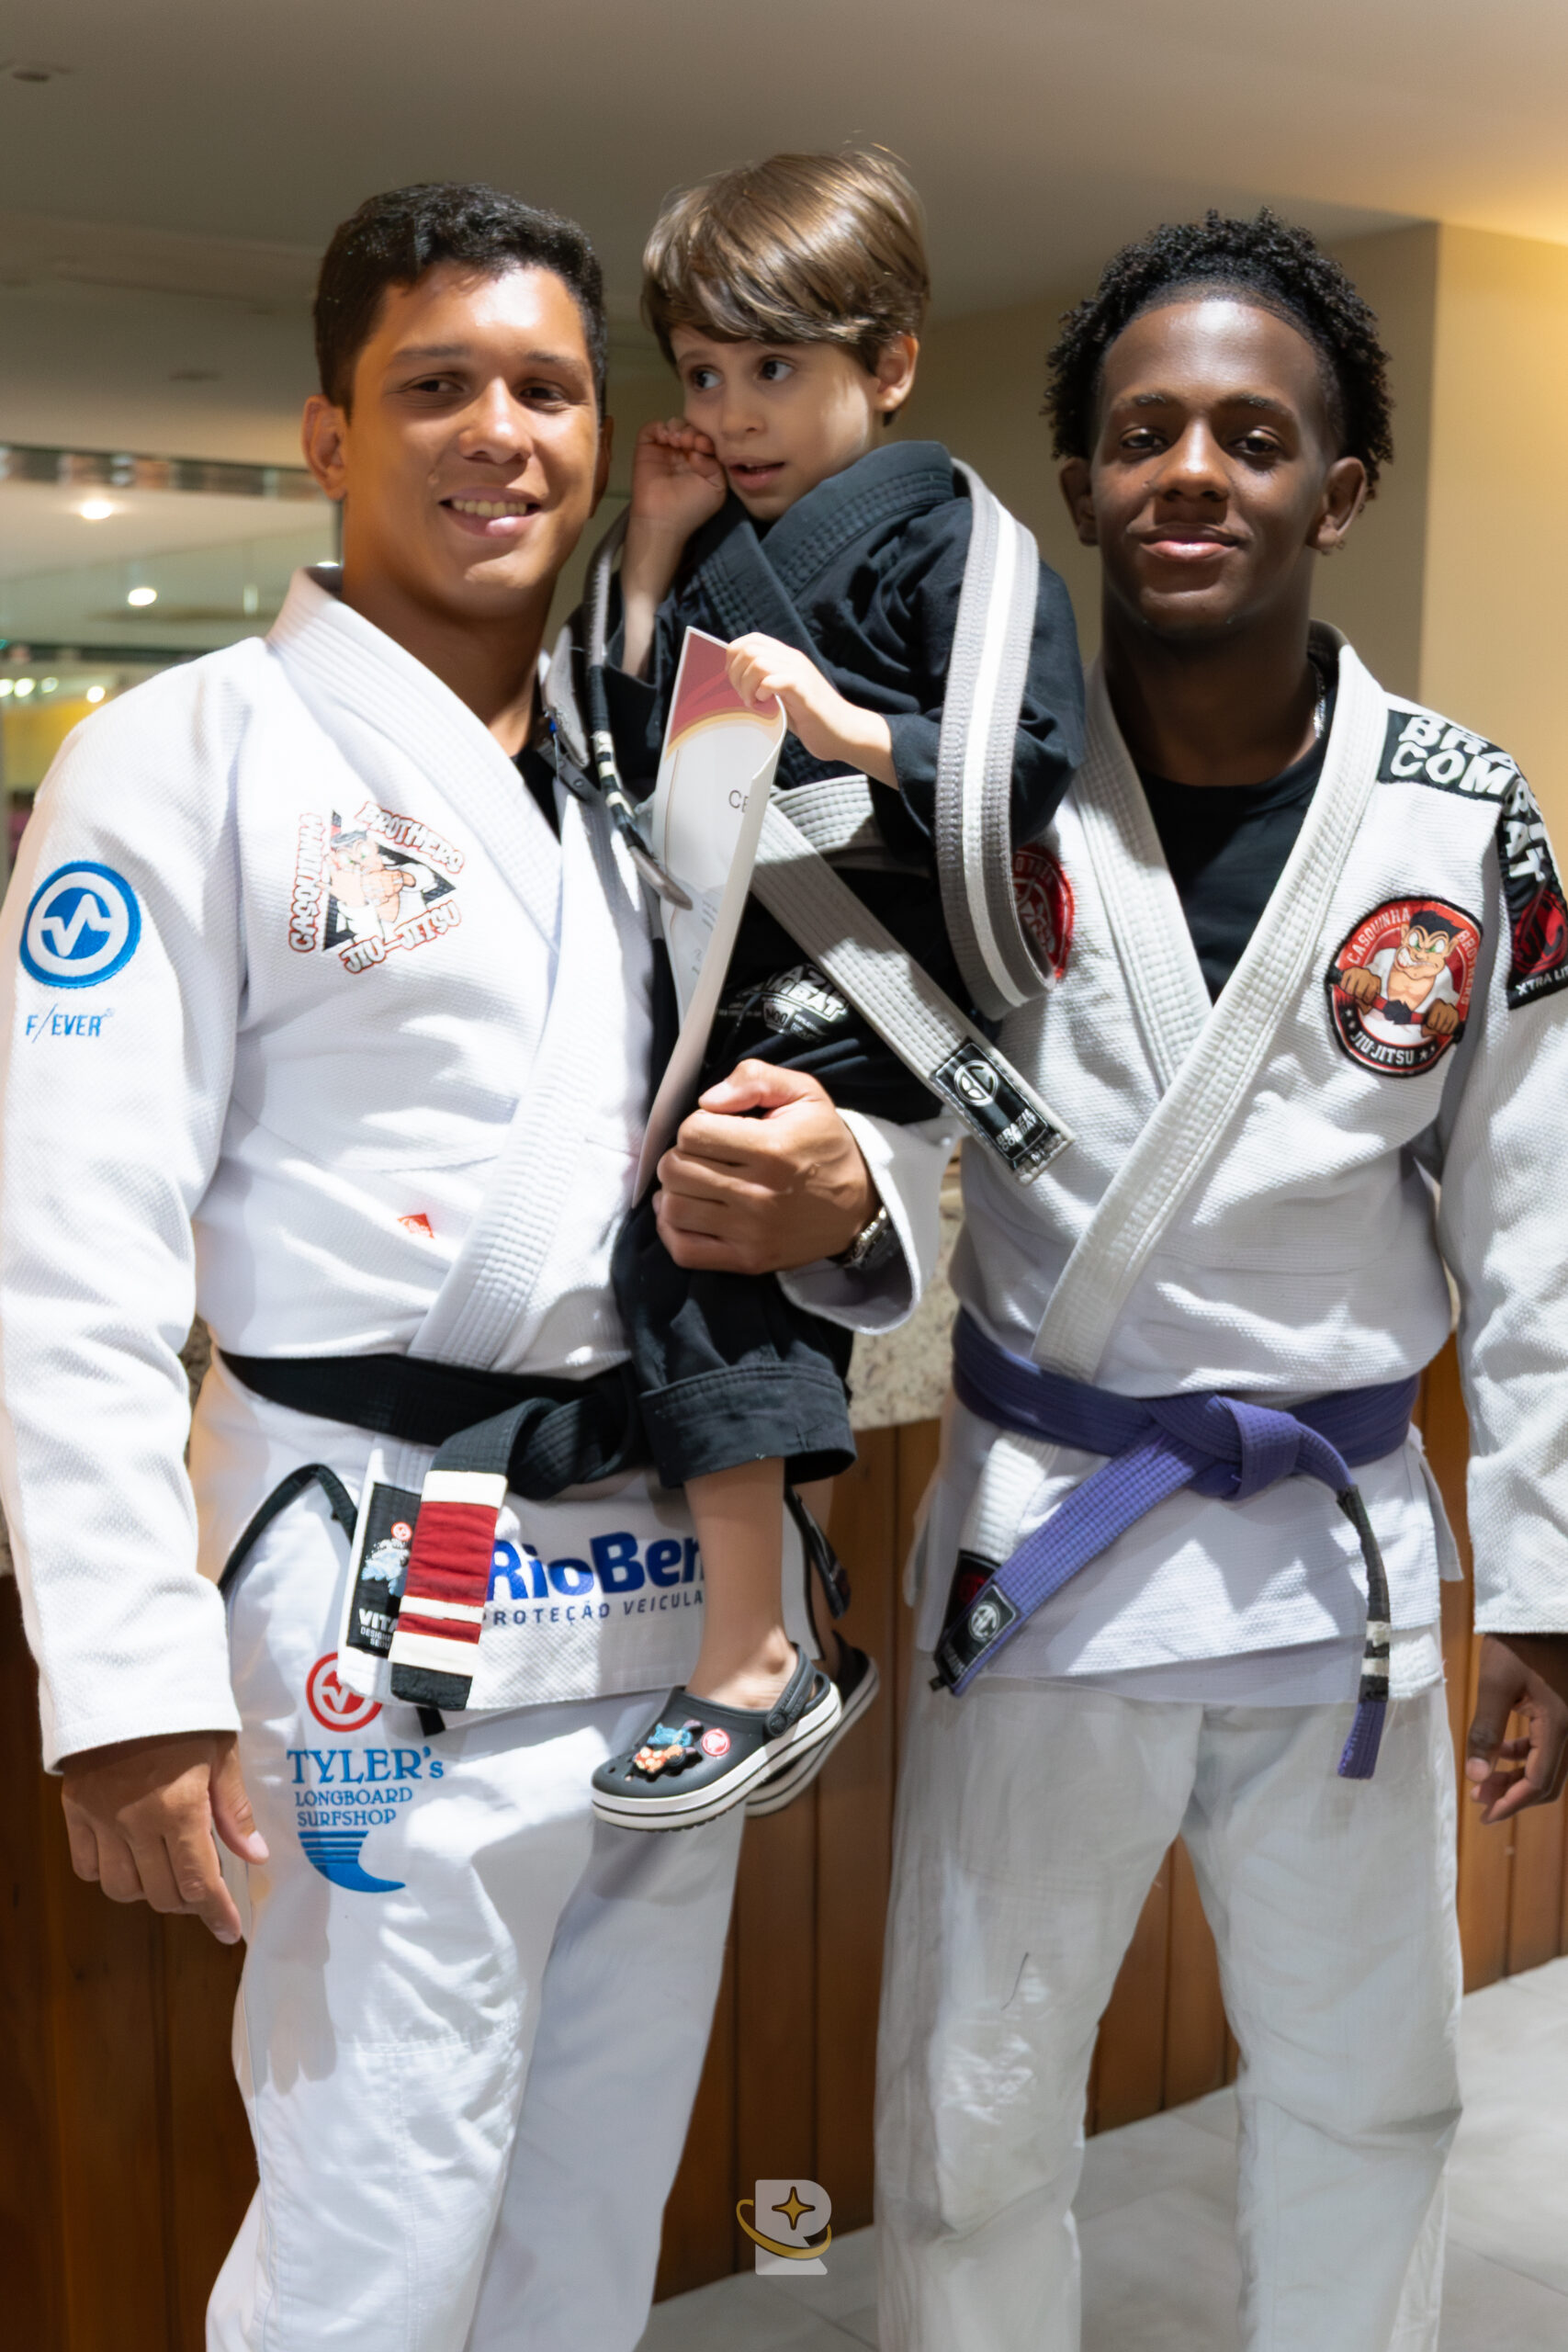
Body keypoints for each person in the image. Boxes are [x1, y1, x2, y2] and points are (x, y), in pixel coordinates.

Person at [0, 181, 948, 2352]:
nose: (497, 432)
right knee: (379, 2203)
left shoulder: (678, 750)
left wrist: (851, 1196)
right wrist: (124, 1679)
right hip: (375, 1565)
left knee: (590, 2207)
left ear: (601, 434)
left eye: (543, 386)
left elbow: (849, 1063)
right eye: (434, 384)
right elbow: (69, 1246)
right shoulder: (180, 756)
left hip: (666, 1572)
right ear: (328, 431)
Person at [874, 209, 1568, 2352]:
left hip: (1332, 1566)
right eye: (1143, 432)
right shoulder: (970, 792)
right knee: (971, 2111)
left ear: (1333, 492)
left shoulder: (1459, 818)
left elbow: (1539, 1221)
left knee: (1370, 2093)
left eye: (1249, 438)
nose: (1191, 471)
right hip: (1042, 1552)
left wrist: (1543, 1586)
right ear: (1078, 481)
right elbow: (871, 1129)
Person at [586, 149, 1084, 1829]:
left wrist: (851, 726)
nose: (731, 415)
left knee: (701, 1230)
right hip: (723, 969)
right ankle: (772, 1605)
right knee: (688, 1249)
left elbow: (1031, 764)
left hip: (871, 980)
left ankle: (755, 1652)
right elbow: (622, 751)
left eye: (775, 369)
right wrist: (655, 558)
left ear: (892, 366)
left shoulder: (968, 553)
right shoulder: (717, 540)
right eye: (702, 373)